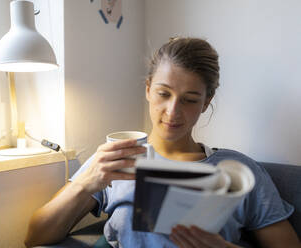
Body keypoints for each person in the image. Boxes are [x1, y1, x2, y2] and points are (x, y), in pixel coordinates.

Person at [24, 37, 301, 248]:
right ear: (147, 90)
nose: (172, 111)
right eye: (163, 94)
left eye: (190, 100)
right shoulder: (116, 161)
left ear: (206, 103)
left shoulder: (240, 170)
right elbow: (35, 236)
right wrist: (85, 184)